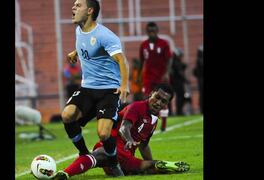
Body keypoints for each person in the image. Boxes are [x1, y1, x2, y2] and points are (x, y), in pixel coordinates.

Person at [52, 84, 190, 179]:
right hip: (114, 148)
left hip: (124, 158)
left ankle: (65, 173)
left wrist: (149, 160)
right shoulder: (136, 107)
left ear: (167, 104)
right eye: (157, 97)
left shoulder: (153, 120)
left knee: (95, 158)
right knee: (139, 166)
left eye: (163, 101)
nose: (159, 103)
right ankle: (154, 166)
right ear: (150, 94)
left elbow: (144, 145)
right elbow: (125, 127)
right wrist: (129, 140)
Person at [61, 0, 129, 177]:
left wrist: (124, 85)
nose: (73, 8)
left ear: (90, 11)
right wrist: (75, 52)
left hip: (108, 90)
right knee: (67, 115)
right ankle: (84, 154)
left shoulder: (105, 36)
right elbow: (86, 45)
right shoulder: (79, 30)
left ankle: (113, 163)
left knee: (104, 134)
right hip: (87, 88)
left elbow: (122, 60)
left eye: (78, 5)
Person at [138, 22, 173, 132]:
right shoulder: (143, 45)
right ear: (147, 32)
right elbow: (141, 61)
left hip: (161, 77)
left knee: (163, 99)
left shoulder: (164, 44)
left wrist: (167, 73)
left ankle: (163, 124)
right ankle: (146, 123)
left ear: (157, 31)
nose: (152, 33)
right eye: (149, 31)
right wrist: (139, 75)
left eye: (153, 31)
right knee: (146, 99)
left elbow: (169, 59)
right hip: (148, 78)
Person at [170, 48, 188, 115]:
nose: (180, 57)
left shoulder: (174, 62)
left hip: (175, 82)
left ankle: (178, 111)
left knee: (179, 97)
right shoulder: (175, 62)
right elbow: (178, 73)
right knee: (180, 97)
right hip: (177, 82)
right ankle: (179, 111)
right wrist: (185, 80)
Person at [193, 44, 203, 114]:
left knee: (201, 94)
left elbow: (195, 72)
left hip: (200, 79)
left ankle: (201, 109)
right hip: (201, 79)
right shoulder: (200, 60)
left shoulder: (198, 60)